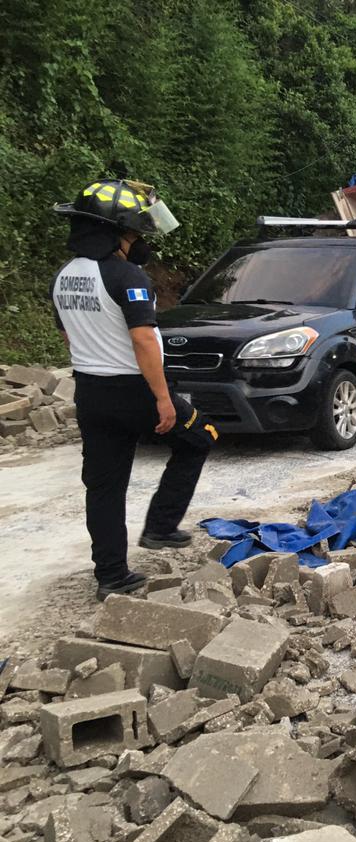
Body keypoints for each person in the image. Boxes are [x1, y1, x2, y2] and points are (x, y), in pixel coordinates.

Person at [51, 179, 211, 600]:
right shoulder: (126, 275)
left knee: (104, 486)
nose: (139, 240)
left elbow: (68, 335)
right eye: (135, 232)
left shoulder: (64, 277)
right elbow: (143, 340)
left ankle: (111, 576)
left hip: (90, 391)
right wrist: (162, 398)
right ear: (114, 231)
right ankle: (160, 526)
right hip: (133, 388)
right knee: (199, 437)